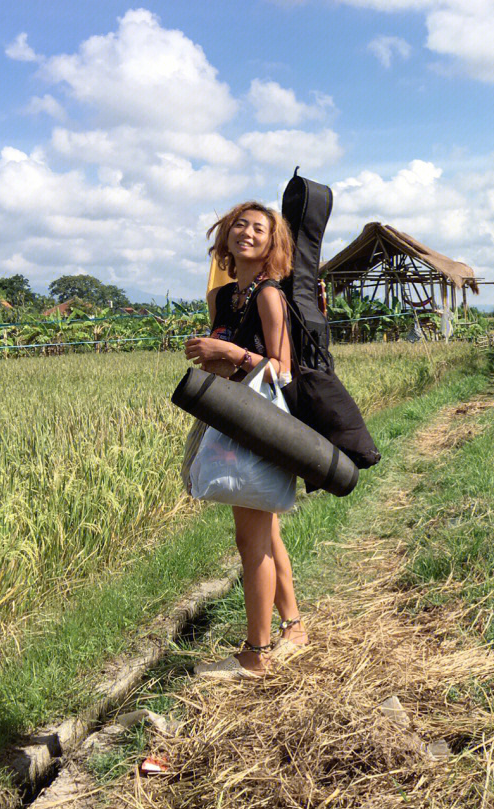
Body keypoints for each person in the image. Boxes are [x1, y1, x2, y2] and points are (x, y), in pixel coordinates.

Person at [185, 201, 308, 678]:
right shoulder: (223, 297)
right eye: (241, 224)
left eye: (260, 228)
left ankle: (256, 655)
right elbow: (225, 361)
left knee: (250, 537)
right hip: (234, 418)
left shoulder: (269, 294)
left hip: (261, 424)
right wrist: (212, 356)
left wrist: (232, 352)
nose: (248, 233)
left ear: (271, 242)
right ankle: (293, 628)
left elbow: (281, 368)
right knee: (266, 530)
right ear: (226, 235)